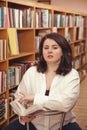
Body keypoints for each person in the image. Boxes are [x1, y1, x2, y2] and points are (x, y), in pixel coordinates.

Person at [4, 32, 82, 130]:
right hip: (32, 123)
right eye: (46, 48)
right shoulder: (31, 72)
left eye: (54, 48)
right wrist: (22, 113)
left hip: (62, 124)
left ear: (63, 51)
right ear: (42, 52)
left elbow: (65, 104)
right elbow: (19, 97)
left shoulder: (72, 74)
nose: (49, 51)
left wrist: (35, 98)